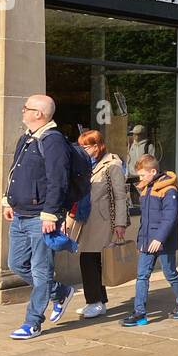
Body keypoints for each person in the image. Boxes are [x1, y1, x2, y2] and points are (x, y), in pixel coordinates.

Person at [2, 94, 75, 338]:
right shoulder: (26, 138)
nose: (23, 111)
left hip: (40, 218)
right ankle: (59, 292)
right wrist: (7, 200)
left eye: (27, 108)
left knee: (41, 270)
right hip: (20, 214)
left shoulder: (53, 141)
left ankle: (32, 322)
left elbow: (58, 181)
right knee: (16, 264)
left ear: (39, 114)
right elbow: (15, 172)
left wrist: (50, 215)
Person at [122, 155, 178, 326]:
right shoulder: (146, 188)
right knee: (142, 276)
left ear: (153, 171)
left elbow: (170, 218)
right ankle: (139, 312)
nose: (140, 179)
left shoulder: (169, 190)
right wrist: (141, 241)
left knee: (170, 273)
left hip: (163, 241)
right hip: (147, 242)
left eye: (142, 175)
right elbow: (145, 220)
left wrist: (159, 238)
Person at [68, 130, 128, 318]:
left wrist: (120, 223)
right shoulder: (85, 165)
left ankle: (95, 302)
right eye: (81, 146)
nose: (83, 150)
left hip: (102, 221)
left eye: (86, 146)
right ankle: (96, 301)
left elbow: (120, 197)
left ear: (97, 146)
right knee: (91, 260)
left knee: (90, 260)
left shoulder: (112, 165)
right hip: (86, 219)